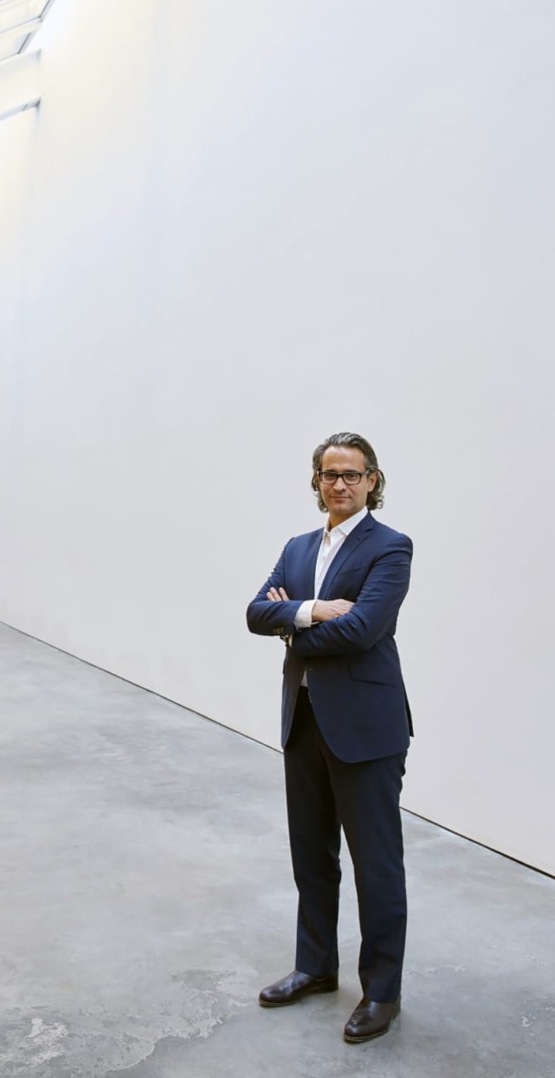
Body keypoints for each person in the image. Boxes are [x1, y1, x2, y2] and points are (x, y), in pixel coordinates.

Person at [246, 432, 413, 1044]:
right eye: (328, 474)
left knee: (376, 865)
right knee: (311, 856)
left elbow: (367, 629)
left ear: (372, 480)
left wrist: (289, 623)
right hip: (305, 720)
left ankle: (382, 993)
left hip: (367, 729)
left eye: (351, 474)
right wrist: (314, 612)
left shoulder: (391, 547)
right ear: (315, 481)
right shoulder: (296, 547)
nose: (339, 484)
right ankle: (316, 967)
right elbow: (252, 613)